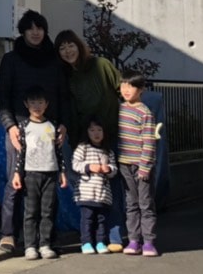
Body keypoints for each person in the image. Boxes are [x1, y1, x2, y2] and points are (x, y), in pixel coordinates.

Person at [0, 10, 68, 251]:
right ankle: (8, 233)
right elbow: (3, 98)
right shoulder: (11, 59)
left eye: (40, 28)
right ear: (23, 31)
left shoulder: (54, 61)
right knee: (15, 180)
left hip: (49, 128)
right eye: (30, 28)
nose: (35, 32)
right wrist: (9, 126)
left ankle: (47, 237)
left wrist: (63, 124)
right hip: (19, 127)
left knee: (49, 182)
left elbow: (63, 96)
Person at [57, 27, 124, 251]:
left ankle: (114, 236)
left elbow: (122, 89)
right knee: (88, 191)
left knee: (112, 185)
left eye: (70, 45)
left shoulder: (101, 65)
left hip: (109, 135)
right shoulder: (67, 77)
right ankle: (91, 238)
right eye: (62, 48)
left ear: (79, 45)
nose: (68, 51)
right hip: (83, 141)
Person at [11, 87, 66, 261]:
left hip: (50, 173)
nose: (37, 106)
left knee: (47, 211)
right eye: (33, 102)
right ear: (26, 104)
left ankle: (45, 244)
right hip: (30, 173)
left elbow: (58, 151)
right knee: (30, 211)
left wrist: (62, 172)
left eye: (40, 102)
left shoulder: (52, 125)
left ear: (46, 104)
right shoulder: (23, 126)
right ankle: (30, 246)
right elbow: (21, 153)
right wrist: (17, 174)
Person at [118, 73, 159, 257]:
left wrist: (145, 166)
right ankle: (133, 240)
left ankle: (149, 242)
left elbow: (149, 142)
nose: (126, 90)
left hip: (142, 166)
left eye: (131, 86)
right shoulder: (119, 109)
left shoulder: (145, 112)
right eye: (123, 85)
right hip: (124, 163)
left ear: (141, 89)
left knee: (145, 203)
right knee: (131, 203)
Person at [71, 118, 117, 254]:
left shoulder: (108, 151)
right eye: (92, 130)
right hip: (86, 192)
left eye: (99, 130)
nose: (96, 133)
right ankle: (86, 243)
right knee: (87, 219)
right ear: (86, 132)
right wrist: (89, 167)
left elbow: (114, 169)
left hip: (103, 194)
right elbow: (75, 164)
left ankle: (101, 242)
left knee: (101, 219)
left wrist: (109, 169)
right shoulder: (83, 147)